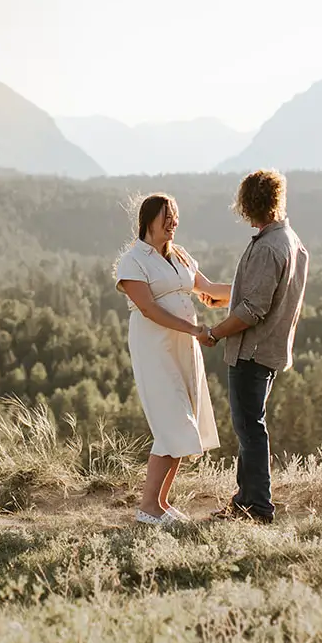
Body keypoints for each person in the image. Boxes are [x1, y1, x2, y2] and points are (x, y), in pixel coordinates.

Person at [113, 193, 234, 525]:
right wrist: (194, 329)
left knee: (184, 424)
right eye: (166, 216)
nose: (172, 222)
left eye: (175, 217)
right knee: (172, 422)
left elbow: (209, 288)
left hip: (184, 348)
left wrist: (250, 290)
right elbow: (149, 309)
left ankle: (160, 502)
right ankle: (148, 507)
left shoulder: (180, 255)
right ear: (148, 220)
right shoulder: (133, 261)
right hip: (155, 347)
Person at [198, 169, 309, 524]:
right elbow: (267, 296)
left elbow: (253, 310)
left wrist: (215, 333)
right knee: (250, 427)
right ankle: (244, 501)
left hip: (253, 351)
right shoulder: (291, 241)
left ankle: (258, 506)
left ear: (248, 204)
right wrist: (227, 301)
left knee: (250, 429)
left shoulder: (268, 248)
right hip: (271, 350)